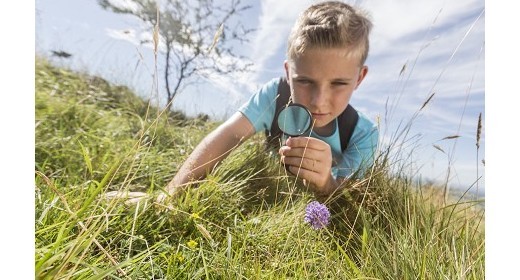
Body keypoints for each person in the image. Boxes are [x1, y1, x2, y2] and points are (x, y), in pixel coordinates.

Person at [157, 1, 379, 203]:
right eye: (304, 81)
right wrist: (170, 194)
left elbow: (348, 200)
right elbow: (228, 135)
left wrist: (327, 184)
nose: (318, 101)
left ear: (359, 78)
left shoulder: (363, 133)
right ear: (288, 72)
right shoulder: (275, 94)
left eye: (338, 83)